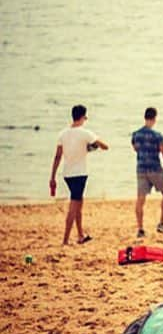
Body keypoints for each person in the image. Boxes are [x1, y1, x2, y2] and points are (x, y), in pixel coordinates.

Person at [49, 104, 109, 245]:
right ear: (83, 117)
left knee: (78, 204)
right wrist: (91, 147)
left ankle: (81, 235)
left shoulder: (63, 134)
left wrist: (52, 177)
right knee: (74, 206)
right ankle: (65, 239)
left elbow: (57, 157)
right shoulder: (85, 133)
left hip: (67, 174)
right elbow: (105, 146)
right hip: (80, 174)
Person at [131, 107, 163, 239]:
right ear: (155, 118)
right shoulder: (157, 136)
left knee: (140, 199)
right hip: (155, 168)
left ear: (145, 117)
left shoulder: (136, 134)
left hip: (141, 169)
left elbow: (135, 148)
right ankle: (161, 223)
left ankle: (140, 229)